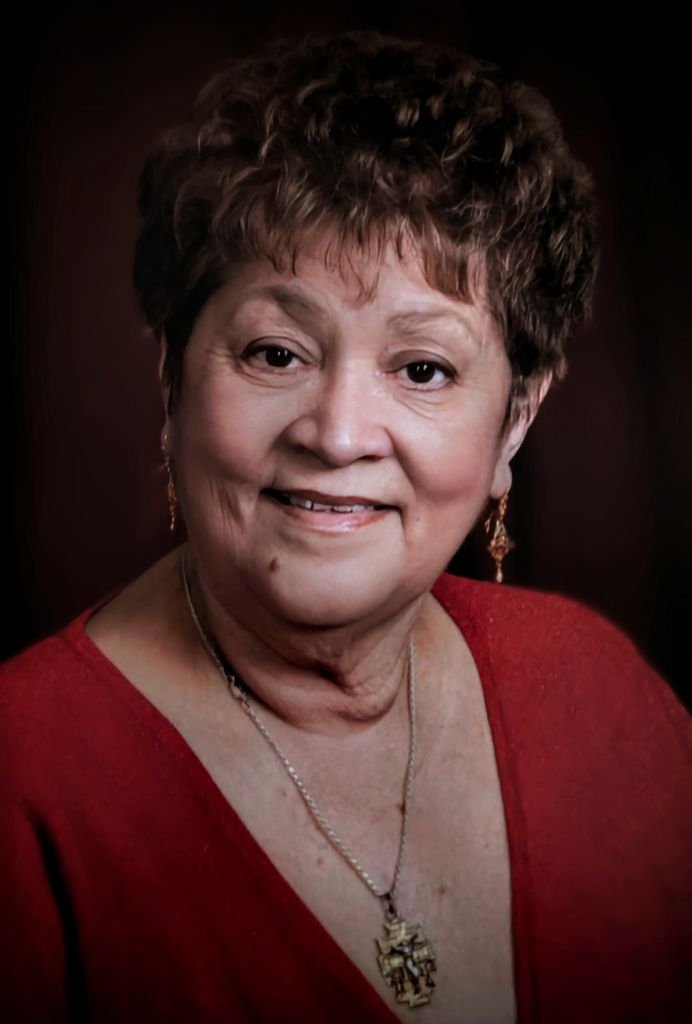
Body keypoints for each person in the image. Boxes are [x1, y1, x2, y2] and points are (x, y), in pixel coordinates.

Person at [1, 30, 689, 1024]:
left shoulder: (607, 696)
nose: (336, 433)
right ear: (171, 378)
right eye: (276, 352)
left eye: (423, 369)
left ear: (514, 423)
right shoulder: (24, 779)